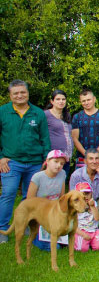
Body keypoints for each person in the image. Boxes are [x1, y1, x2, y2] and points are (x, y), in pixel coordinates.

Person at [0, 80, 50, 243]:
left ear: (28, 93)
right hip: (11, 162)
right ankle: (2, 229)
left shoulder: (38, 113)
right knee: (8, 193)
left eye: (23, 92)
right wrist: (1, 158)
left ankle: (27, 225)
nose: (20, 95)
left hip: (35, 163)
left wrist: (47, 160)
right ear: (10, 95)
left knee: (30, 197)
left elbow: (45, 138)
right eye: (16, 93)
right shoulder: (2, 112)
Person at [27, 150, 68, 251]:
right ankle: (34, 234)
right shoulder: (38, 177)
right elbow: (29, 201)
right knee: (52, 246)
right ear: (47, 161)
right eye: (56, 161)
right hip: (39, 214)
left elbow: (61, 197)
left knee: (65, 241)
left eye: (62, 163)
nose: (59, 165)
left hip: (55, 212)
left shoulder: (62, 173)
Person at [69, 148, 99, 229]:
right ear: (85, 161)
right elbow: (72, 197)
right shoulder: (77, 175)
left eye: (96, 158)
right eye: (91, 159)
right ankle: (81, 223)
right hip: (81, 204)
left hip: (96, 202)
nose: (94, 161)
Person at [71, 88, 99, 167]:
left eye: (88, 100)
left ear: (94, 99)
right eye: (83, 101)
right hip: (82, 157)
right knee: (81, 175)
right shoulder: (77, 117)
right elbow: (75, 138)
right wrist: (86, 154)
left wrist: (96, 152)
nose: (86, 103)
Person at [44, 89, 73, 176]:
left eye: (63, 99)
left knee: (62, 181)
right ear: (52, 101)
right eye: (58, 99)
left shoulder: (67, 115)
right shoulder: (46, 115)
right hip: (53, 158)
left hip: (66, 158)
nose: (61, 101)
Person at [73, 182, 99, 252]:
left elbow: (97, 218)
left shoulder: (93, 203)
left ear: (91, 193)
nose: (85, 196)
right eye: (82, 194)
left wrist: (92, 206)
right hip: (81, 231)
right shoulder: (75, 206)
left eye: (87, 193)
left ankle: (94, 241)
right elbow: (73, 225)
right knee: (82, 249)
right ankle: (77, 242)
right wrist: (83, 234)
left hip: (93, 230)